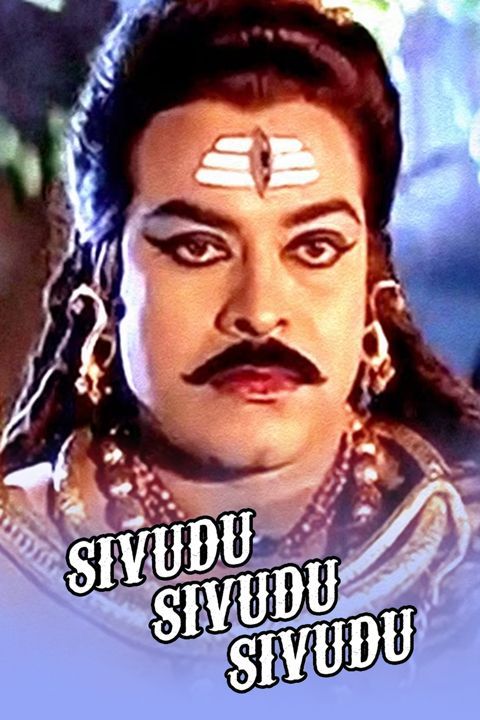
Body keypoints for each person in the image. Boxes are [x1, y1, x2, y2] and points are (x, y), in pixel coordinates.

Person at [1, 0, 479, 650]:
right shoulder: (17, 568)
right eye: (198, 247)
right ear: (106, 292)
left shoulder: (461, 553)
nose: (258, 311)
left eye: (314, 247)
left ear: (372, 293)